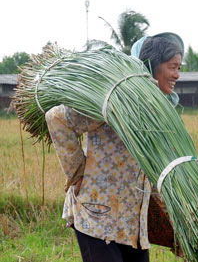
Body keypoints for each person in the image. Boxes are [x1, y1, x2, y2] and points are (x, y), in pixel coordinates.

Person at [45, 33, 184, 262]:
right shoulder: (115, 102)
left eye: (179, 67)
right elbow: (57, 117)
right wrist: (77, 173)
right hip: (97, 216)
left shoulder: (156, 112)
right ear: (152, 66)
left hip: (132, 223)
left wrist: (172, 223)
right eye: (172, 67)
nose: (177, 74)